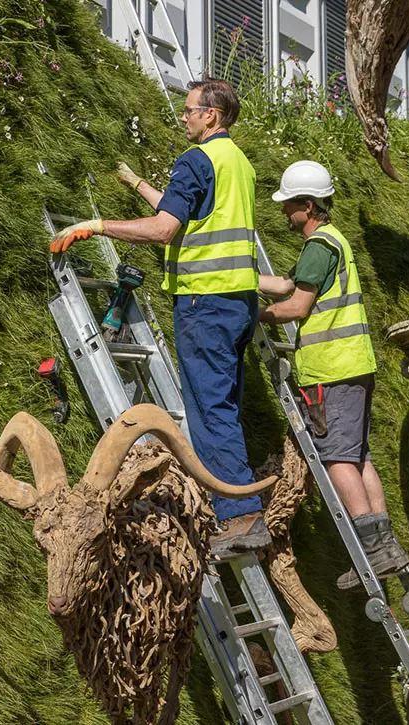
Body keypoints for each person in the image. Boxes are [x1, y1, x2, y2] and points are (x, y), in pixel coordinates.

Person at [50, 78, 271, 557]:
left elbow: (166, 228)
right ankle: (243, 511)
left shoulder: (195, 160)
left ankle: (239, 518)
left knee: (208, 411)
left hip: (204, 303)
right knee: (225, 408)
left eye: (190, 109)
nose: (183, 116)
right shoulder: (239, 164)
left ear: (211, 115)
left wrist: (98, 226)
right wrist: (138, 185)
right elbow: (191, 214)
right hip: (239, 305)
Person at [258, 160, 409, 589]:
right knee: (359, 457)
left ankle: (372, 551)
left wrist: (250, 315)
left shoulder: (318, 246)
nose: (285, 213)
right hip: (355, 366)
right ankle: (385, 545)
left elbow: (295, 308)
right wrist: (246, 279)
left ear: (308, 205)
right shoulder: (333, 242)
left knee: (338, 457)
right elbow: (289, 285)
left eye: (289, 205)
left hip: (331, 371)